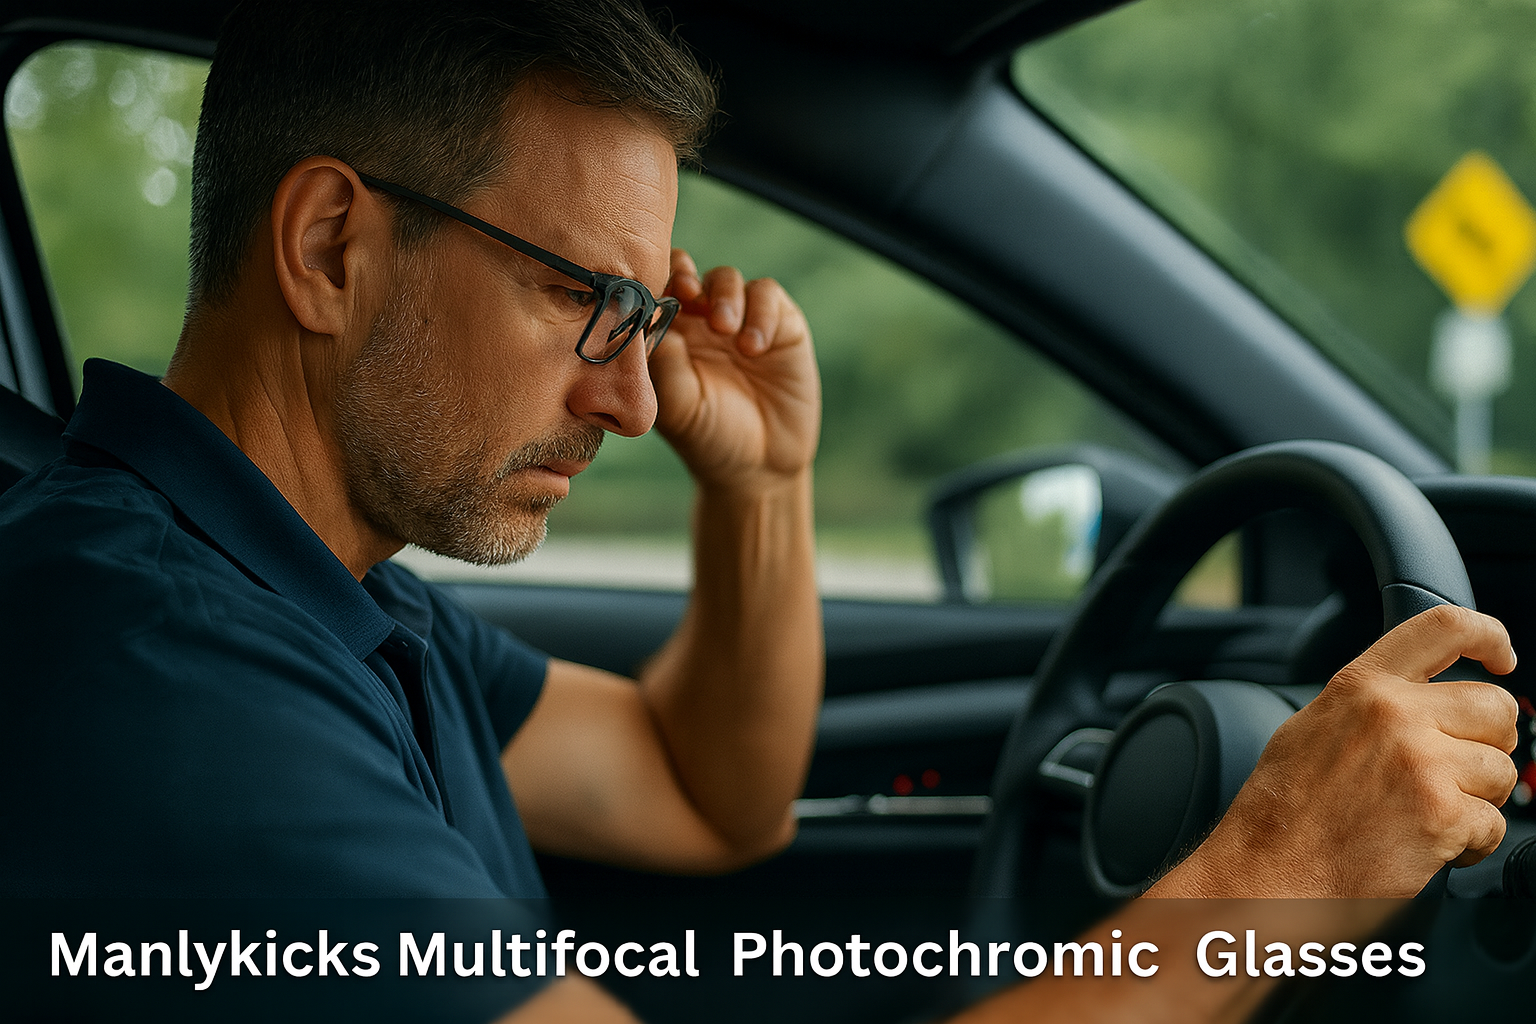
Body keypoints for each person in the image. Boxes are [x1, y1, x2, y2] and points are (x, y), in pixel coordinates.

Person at [0, 1, 1520, 1021]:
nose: (635, 395)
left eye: (644, 314)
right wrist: (1273, 875)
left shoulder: (321, 594)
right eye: (582, 297)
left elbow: (702, 791)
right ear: (330, 246)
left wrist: (766, 486)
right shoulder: (149, 682)